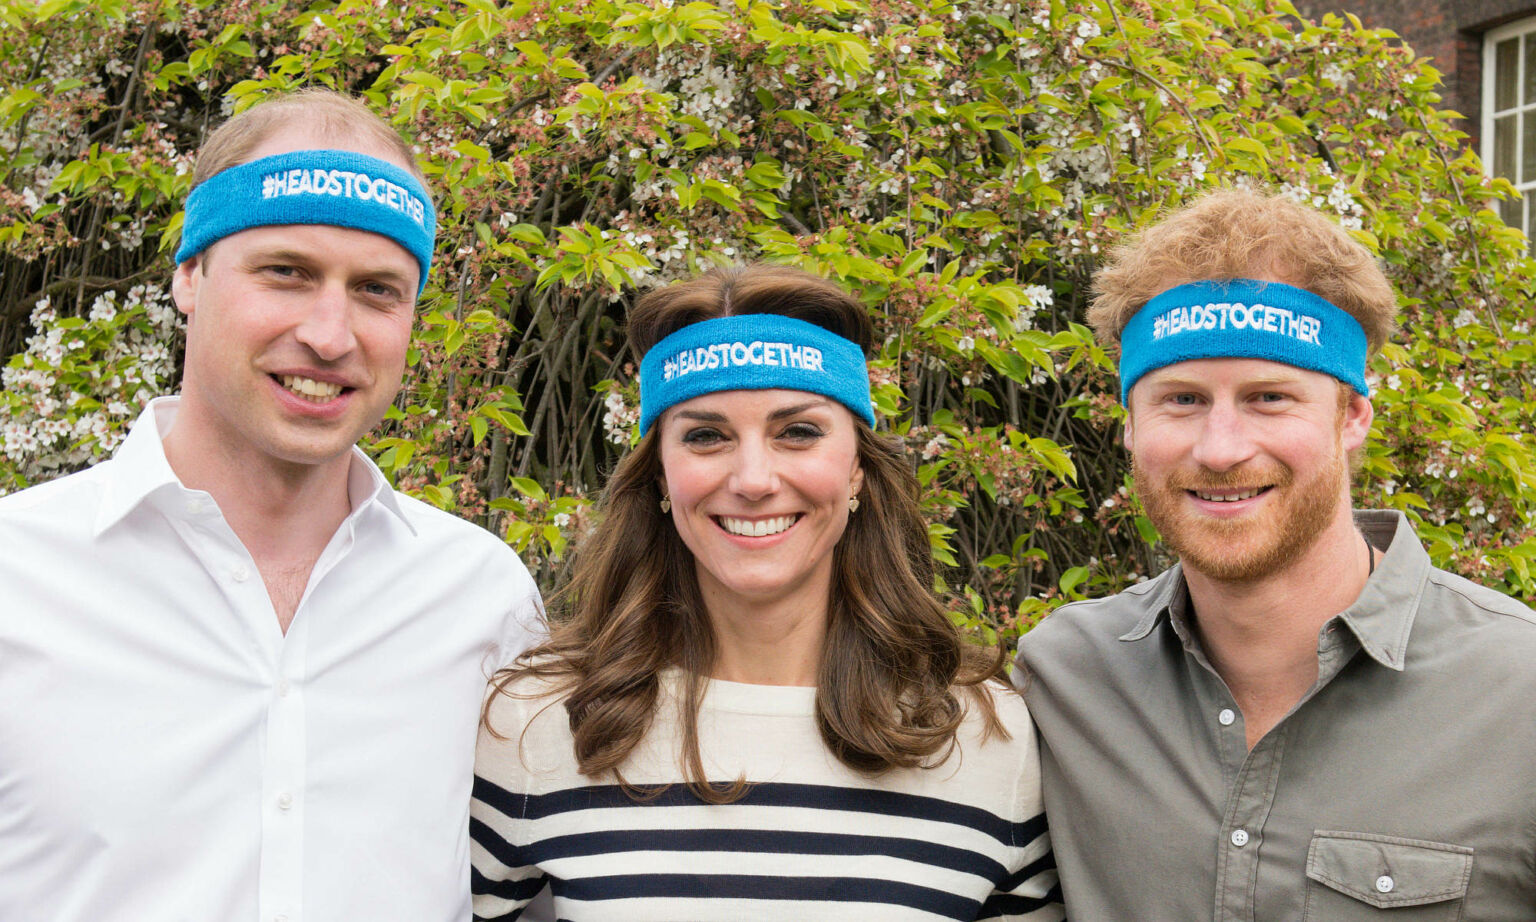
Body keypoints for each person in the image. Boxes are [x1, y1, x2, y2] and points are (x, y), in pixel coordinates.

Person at [0, 89, 543, 921]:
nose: (331, 335)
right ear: (189, 275)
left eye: (377, 290)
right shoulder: (19, 576)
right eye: (286, 272)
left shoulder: (481, 599)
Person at [470, 265, 1062, 921]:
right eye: (706, 436)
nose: (754, 479)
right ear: (661, 477)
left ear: (858, 468)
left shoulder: (987, 737)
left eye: (798, 432)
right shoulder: (537, 724)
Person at [1015, 188, 1536, 919]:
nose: (1221, 449)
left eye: (1269, 397)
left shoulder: (1520, 694)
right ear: (1129, 425)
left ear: (1353, 416)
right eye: (1182, 399)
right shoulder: (1063, 679)